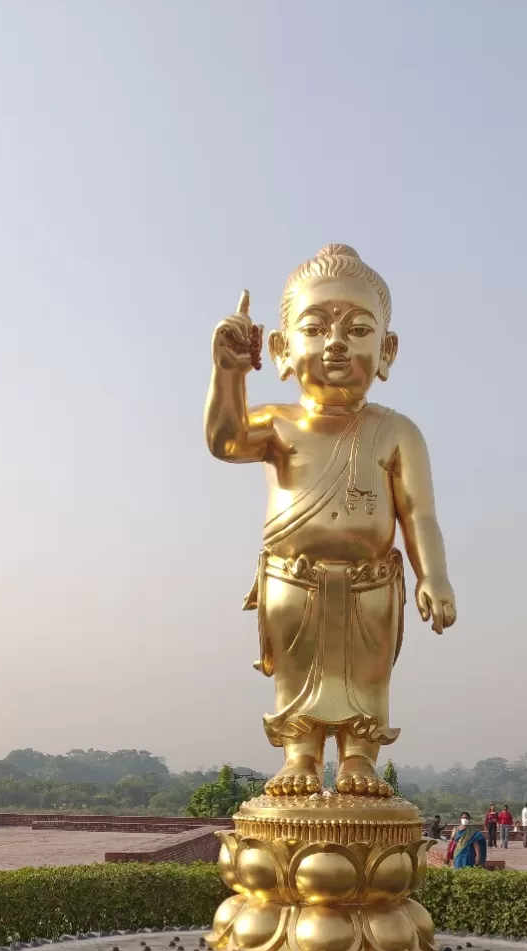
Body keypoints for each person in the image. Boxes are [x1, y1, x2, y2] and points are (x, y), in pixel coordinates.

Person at [206, 244, 456, 799]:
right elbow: (224, 441)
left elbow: (420, 513)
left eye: (358, 330)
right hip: (292, 578)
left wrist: (432, 576)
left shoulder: (397, 431)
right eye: (315, 328)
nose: (336, 343)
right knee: (295, 670)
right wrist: (228, 373)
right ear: (280, 348)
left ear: (387, 350)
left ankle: (359, 758)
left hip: (372, 581)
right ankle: (299, 754)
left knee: (367, 674)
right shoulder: (277, 421)